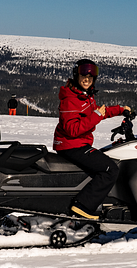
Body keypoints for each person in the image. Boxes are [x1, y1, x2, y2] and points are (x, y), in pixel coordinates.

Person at [53, 59, 130, 220]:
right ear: (76, 75)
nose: (87, 78)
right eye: (83, 74)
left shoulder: (84, 96)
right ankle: (83, 207)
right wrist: (96, 116)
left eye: (91, 74)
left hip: (77, 144)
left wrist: (120, 110)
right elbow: (72, 129)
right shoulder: (70, 99)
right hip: (71, 145)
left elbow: (99, 111)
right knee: (110, 169)